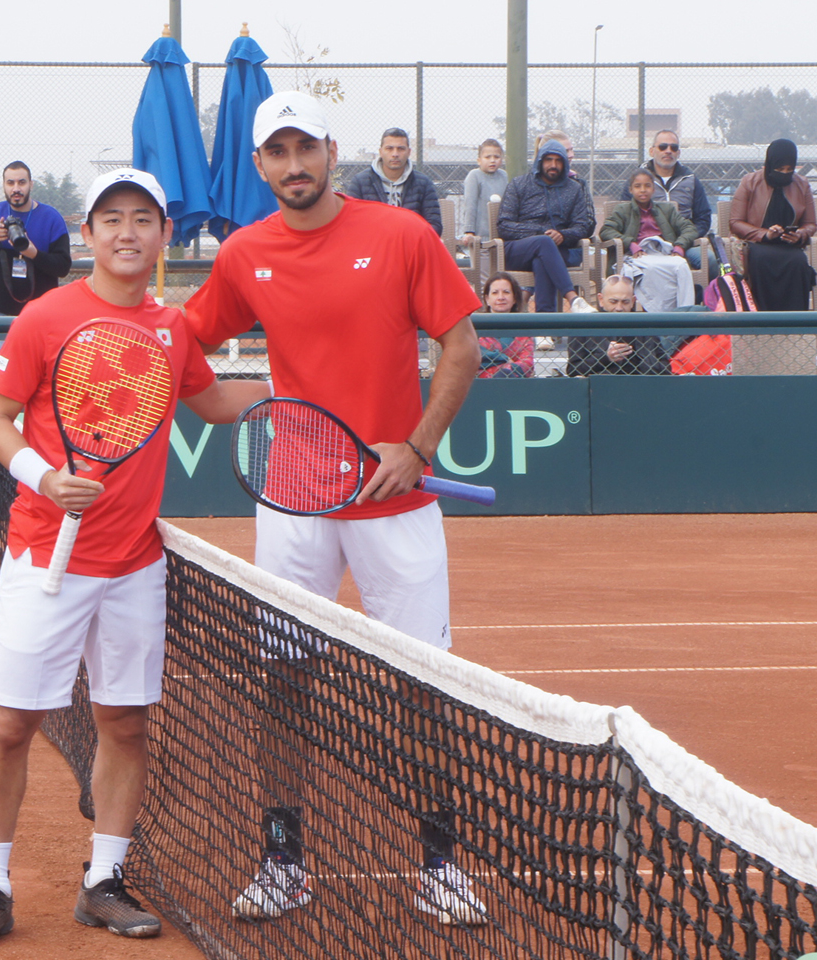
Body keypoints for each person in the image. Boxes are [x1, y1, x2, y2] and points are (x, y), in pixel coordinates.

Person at [0, 169, 267, 949]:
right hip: (40, 555)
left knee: (123, 722)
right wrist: (44, 477)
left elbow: (214, 401)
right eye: (112, 219)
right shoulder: (45, 316)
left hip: (133, 563)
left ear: (163, 237)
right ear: (87, 235)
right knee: (14, 723)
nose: (128, 232)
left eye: (143, 220)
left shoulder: (174, 326)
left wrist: (286, 386)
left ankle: (103, 881)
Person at [184, 90, 485, 927]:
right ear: (259, 166)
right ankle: (284, 860)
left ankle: (441, 864)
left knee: (422, 687)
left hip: (396, 501)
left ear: (329, 148)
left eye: (303, 149)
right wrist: (228, 402)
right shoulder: (246, 253)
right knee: (283, 681)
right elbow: (185, 343)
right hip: (294, 503)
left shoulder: (401, 235)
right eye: (275, 154)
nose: (292, 167)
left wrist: (417, 448)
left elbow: (460, 345)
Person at [0, 161, 72, 381]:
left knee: (40, 378)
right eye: (10, 182)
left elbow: (63, 267)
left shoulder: (51, 218)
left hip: (39, 316)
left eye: (21, 182)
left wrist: (33, 253)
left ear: (31, 184)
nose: (16, 188)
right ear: (3, 185)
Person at [496, 139, 594, 313]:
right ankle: (573, 299)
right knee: (543, 243)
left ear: (564, 163)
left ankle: (544, 332)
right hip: (517, 250)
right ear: (540, 162)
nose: (553, 165)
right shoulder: (519, 184)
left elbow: (582, 226)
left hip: (556, 250)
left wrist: (563, 235)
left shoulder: (574, 189)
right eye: (549, 160)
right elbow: (504, 225)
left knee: (542, 259)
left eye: (558, 161)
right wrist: (539, 233)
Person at [729, 139, 817, 312]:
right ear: (769, 165)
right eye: (779, 170)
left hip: (789, 246)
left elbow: (811, 223)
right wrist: (765, 234)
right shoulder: (750, 182)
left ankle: (795, 323)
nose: (784, 174)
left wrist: (799, 234)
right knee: (762, 260)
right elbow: (735, 222)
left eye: (789, 170)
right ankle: (762, 320)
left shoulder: (802, 184)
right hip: (758, 244)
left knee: (798, 261)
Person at [601, 169, 697, 313]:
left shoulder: (666, 209)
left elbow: (689, 228)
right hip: (639, 256)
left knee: (682, 265)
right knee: (650, 270)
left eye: (647, 186)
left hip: (664, 253)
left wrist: (680, 246)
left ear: (653, 189)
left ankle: (685, 314)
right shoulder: (623, 210)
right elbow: (606, 230)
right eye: (638, 186)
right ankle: (658, 315)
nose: (643, 190)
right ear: (631, 190)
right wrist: (631, 244)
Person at [619, 130, 713, 271]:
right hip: (646, 244)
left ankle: (699, 293)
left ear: (678, 153)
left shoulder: (691, 180)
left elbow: (703, 218)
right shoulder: (638, 180)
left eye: (673, 148)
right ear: (652, 151)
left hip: (685, 244)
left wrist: (683, 241)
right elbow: (624, 215)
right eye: (663, 147)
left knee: (710, 260)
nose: (668, 151)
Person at [343, 127, 443, 235]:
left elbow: (434, 225)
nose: (395, 154)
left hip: (409, 246)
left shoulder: (423, 183)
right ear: (380, 152)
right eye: (389, 148)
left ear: (409, 152)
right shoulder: (360, 182)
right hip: (374, 247)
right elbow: (350, 223)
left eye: (400, 149)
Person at [565, 275, 668, 375]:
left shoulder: (645, 328)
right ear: (601, 300)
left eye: (625, 302)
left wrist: (644, 360)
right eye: (613, 302)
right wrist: (605, 357)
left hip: (640, 386)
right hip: (601, 387)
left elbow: (665, 368)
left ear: (632, 301)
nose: (619, 308)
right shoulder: (584, 328)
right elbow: (573, 369)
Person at [477, 272, 534, 378]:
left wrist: (505, 369)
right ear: (487, 299)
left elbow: (527, 364)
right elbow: (473, 357)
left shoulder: (524, 330)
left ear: (515, 298)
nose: (501, 297)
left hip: (513, 382)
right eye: (495, 293)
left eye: (506, 292)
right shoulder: (475, 327)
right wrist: (503, 358)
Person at [459, 139, 508, 249]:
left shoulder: (503, 175)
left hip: (501, 236)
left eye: (496, 157)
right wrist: (469, 231)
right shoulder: (474, 176)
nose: (492, 160)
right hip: (480, 236)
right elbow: (470, 204)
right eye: (487, 157)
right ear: (479, 160)